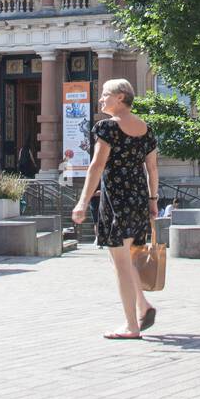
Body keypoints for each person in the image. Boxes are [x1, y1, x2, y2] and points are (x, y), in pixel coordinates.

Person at [72, 79, 158, 340]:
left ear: (121, 97)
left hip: (117, 200)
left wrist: (82, 202)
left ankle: (131, 326)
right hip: (139, 199)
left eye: (105, 95)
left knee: (120, 262)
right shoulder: (146, 129)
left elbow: (97, 166)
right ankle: (143, 305)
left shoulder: (107, 127)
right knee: (122, 259)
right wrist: (153, 199)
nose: (100, 100)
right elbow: (152, 168)